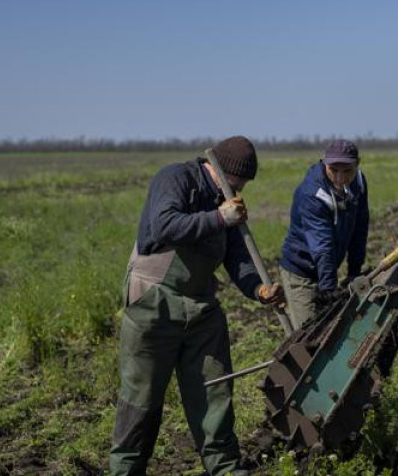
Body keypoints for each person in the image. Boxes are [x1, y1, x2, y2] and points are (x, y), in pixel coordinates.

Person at [110, 135, 283, 476]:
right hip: (153, 303)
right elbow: (165, 226)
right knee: (141, 400)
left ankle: (226, 468)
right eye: (236, 181)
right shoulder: (176, 178)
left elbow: (238, 258)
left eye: (244, 183)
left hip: (200, 307)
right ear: (214, 167)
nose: (239, 188)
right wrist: (218, 217)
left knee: (214, 391)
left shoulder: (227, 199)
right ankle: (126, 470)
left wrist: (258, 289)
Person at [278, 139, 370, 329]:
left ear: (357, 164)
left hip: (327, 266)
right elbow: (322, 245)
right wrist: (328, 290)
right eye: (334, 170)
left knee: (332, 330)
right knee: (308, 334)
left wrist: (354, 272)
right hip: (301, 271)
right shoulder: (312, 194)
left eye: (347, 171)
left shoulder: (358, 184)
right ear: (324, 164)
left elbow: (360, 228)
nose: (340, 178)